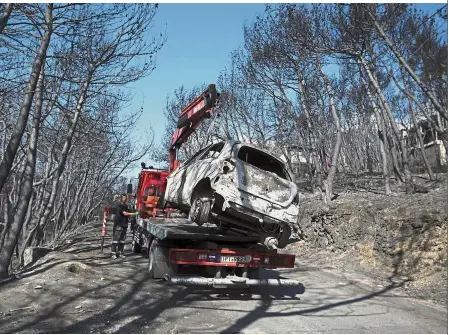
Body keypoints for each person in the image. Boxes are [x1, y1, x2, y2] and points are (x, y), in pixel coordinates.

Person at [111, 193, 139, 259]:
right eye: (123, 197)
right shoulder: (119, 206)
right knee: (116, 240)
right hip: (118, 225)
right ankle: (113, 253)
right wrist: (135, 213)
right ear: (121, 198)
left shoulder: (126, 206)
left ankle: (120, 253)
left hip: (124, 225)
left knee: (122, 240)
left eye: (125, 198)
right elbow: (125, 213)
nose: (125, 199)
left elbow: (128, 212)